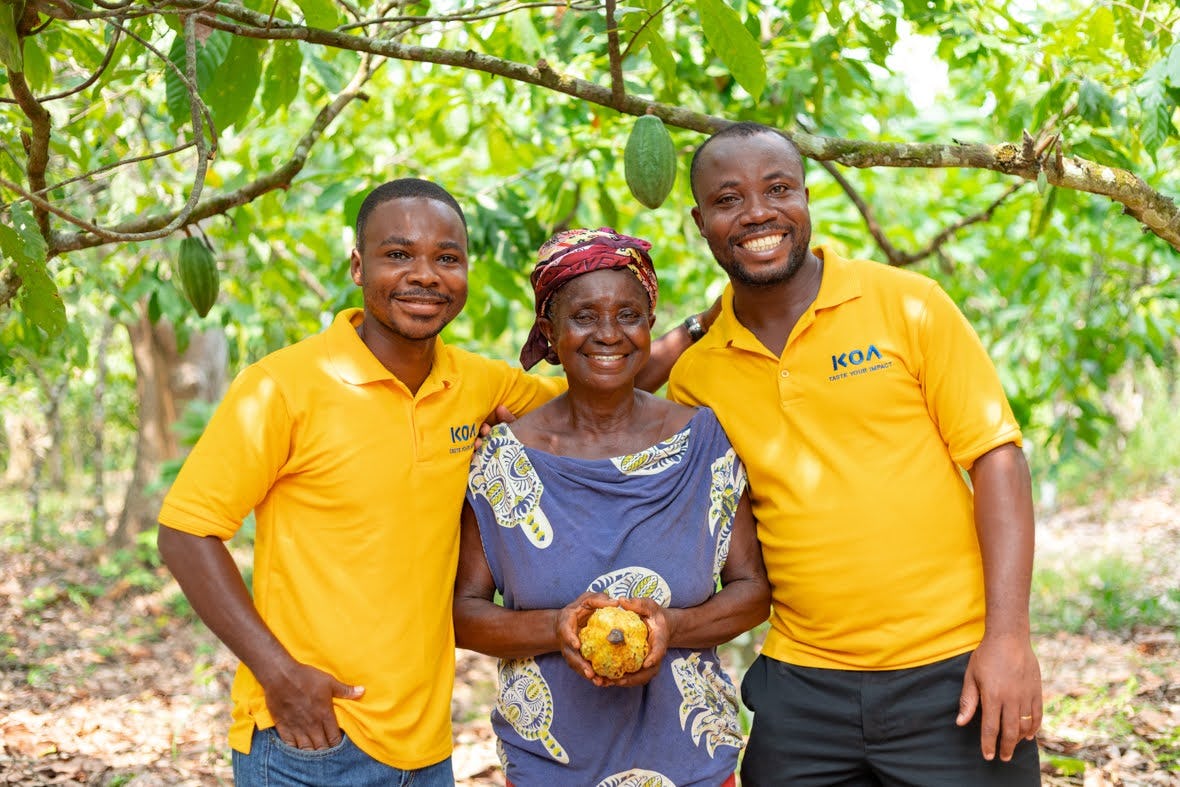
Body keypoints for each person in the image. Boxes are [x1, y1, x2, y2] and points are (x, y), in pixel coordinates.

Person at [155, 180, 705, 785]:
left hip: (425, 749)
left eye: (447, 258)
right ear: (359, 266)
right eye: (399, 255)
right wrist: (280, 676)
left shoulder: (477, 385)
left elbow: (604, 380)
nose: (426, 275)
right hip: (308, 735)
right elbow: (186, 533)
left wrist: (706, 323)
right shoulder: (283, 387)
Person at [668, 122, 1043, 785]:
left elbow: (998, 458)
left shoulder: (906, 304)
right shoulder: (697, 375)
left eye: (777, 189)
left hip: (951, 672)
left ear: (807, 197)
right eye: (729, 199)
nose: (758, 212)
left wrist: (1009, 637)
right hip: (803, 688)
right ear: (700, 221)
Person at [453, 227, 771, 786]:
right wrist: (557, 628)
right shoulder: (502, 462)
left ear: (650, 324)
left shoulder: (704, 444)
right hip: (551, 768)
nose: (608, 334)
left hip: (692, 765)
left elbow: (752, 592)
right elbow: (464, 615)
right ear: (548, 332)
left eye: (628, 314)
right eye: (584, 317)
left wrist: (673, 625)